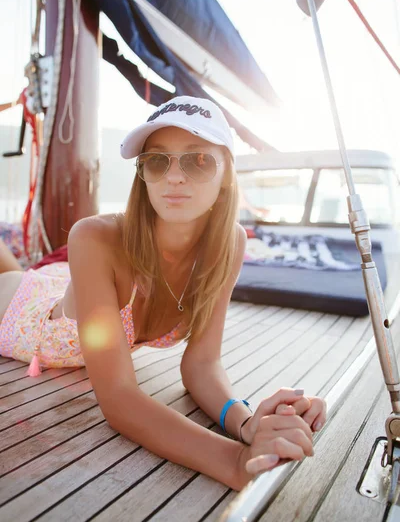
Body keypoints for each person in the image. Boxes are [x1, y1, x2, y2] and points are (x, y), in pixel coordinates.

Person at [0, 96, 326, 490]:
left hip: (63, 288)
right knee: (14, 276)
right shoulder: (93, 237)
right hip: (18, 307)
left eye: (198, 161)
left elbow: (202, 364)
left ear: (226, 173)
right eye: (157, 161)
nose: (174, 177)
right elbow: (119, 397)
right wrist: (235, 460)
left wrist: (245, 423)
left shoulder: (229, 244)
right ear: (143, 174)